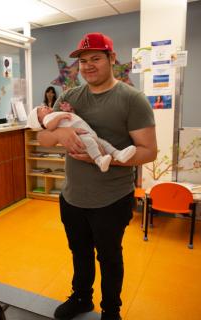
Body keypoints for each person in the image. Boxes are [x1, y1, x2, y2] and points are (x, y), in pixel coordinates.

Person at [37, 32, 156, 320]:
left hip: (111, 199)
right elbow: (43, 137)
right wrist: (60, 133)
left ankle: (111, 310)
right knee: (79, 252)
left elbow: (149, 151)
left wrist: (107, 159)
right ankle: (81, 297)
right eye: (83, 61)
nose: (88, 66)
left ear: (111, 59)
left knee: (109, 257)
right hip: (73, 196)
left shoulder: (132, 99)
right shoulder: (69, 96)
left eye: (95, 59)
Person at [26, 105, 136, 172]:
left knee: (103, 143)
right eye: (40, 109)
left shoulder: (54, 114)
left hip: (85, 130)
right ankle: (99, 160)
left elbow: (70, 118)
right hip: (80, 134)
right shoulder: (48, 118)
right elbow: (50, 127)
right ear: (39, 120)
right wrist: (61, 118)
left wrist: (68, 111)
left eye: (42, 107)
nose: (44, 107)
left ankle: (118, 154)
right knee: (91, 143)